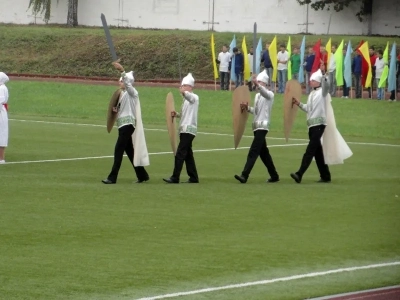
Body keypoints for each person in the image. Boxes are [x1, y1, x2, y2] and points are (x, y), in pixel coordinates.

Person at [102, 61, 150, 184]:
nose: (120, 82)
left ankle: (112, 177)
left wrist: (122, 70)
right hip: (123, 125)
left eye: (122, 81)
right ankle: (142, 175)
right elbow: (123, 109)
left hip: (127, 126)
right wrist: (116, 110)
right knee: (130, 151)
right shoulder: (123, 94)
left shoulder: (132, 92)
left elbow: (128, 85)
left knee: (118, 150)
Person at [234, 70, 279, 184]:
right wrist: (247, 108)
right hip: (256, 126)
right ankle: (274, 175)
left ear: (263, 83)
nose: (256, 84)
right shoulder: (258, 96)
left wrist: (258, 85)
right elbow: (257, 111)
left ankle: (245, 175)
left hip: (263, 127)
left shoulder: (269, 94)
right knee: (264, 154)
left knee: (253, 151)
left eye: (259, 82)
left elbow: (265, 93)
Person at [290, 63, 331, 184]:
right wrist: (299, 104)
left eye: (312, 80)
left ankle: (300, 173)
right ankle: (325, 175)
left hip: (319, 125)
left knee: (310, 150)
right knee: (318, 152)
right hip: (312, 126)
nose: (310, 82)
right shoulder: (312, 94)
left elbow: (327, 85)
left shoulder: (323, 92)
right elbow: (309, 108)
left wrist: (323, 74)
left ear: (318, 81)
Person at [163, 73, 199, 184]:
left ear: (190, 87)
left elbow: (190, 97)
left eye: (184, 86)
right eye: (182, 86)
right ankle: (193, 177)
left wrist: (184, 92)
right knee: (188, 155)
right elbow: (185, 115)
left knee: (180, 153)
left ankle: (175, 177)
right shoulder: (185, 100)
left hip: (189, 130)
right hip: (184, 130)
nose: (182, 88)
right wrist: (177, 114)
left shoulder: (194, 97)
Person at [0, 72, 10, 164]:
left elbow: (1, 100)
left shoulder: (2, 88)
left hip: (1, 112)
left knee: (2, 133)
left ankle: (1, 158)